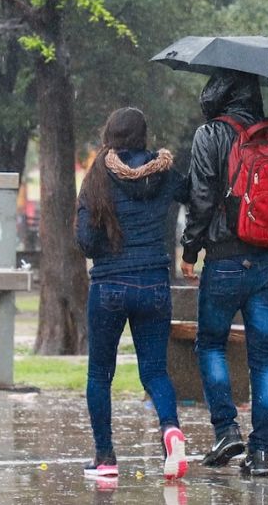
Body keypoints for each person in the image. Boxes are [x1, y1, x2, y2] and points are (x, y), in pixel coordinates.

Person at [181, 70, 268, 477]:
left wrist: (190, 247)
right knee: (263, 357)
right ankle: (261, 452)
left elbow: (202, 198)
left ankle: (226, 429)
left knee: (210, 345)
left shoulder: (211, 134)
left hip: (226, 259)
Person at [76, 107, 189, 480]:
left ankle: (105, 458)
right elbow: (194, 196)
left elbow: (86, 242)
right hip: (154, 283)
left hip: (109, 285)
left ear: (110, 133)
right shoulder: (165, 172)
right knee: (155, 371)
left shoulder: (97, 175)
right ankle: (170, 430)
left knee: (100, 373)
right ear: (144, 135)